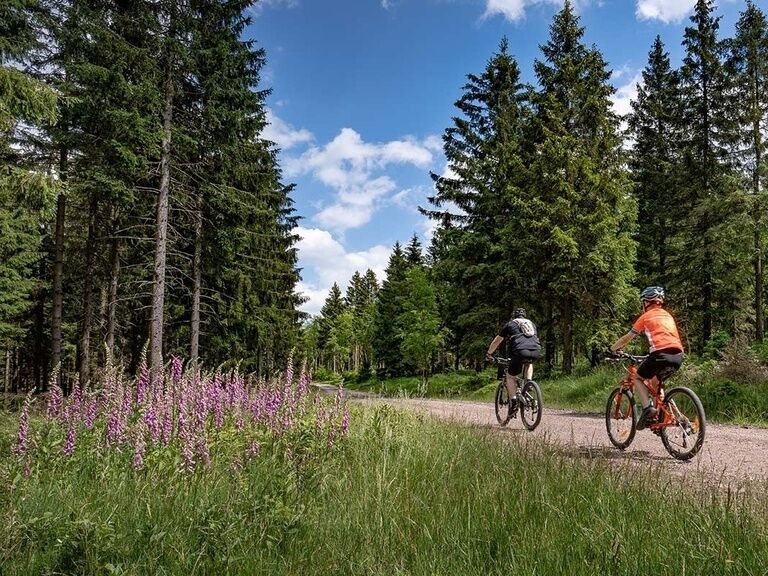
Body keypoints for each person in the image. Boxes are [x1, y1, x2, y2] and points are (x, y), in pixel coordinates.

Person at [609, 286, 684, 430]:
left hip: (659, 354)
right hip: (678, 356)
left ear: (646, 302)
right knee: (655, 383)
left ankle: (647, 409)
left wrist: (611, 349)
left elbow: (627, 339)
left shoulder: (645, 317)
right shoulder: (668, 316)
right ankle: (667, 416)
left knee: (638, 378)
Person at [486, 308, 541, 407]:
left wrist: (489, 354)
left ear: (513, 316)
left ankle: (514, 402)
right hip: (536, 350)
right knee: (529, 363)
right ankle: (529, 383)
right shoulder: (531, 324)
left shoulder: (510, 324)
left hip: (520, 351)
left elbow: (497, 340)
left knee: (510, 377)